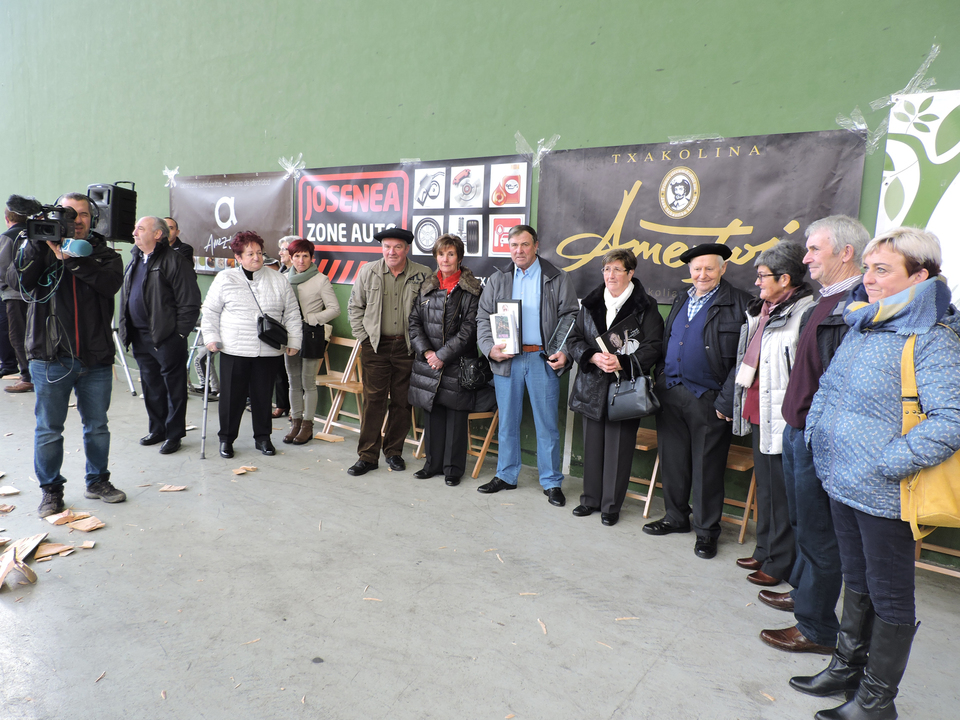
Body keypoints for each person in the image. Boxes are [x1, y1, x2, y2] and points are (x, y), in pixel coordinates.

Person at [801, 228, 960, 720]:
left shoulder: (932, 338)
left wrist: (886, 463)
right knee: (856, 578)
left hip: (886, 493)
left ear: (920, 276)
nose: (867, 279)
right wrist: (817, 433)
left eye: (882, 270)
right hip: (841, 480)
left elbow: (951, 419)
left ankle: (876, 701)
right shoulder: (866, 323)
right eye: (867, 268)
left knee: (890, 595)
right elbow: (829, 388)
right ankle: (847, 668)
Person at [758, 216, 869, 656]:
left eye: (814, 250)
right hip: (797, 428)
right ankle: (803, 594)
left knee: (820, 534)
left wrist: (812, 429)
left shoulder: (856, 306)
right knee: (803, 523)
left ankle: (817, 628)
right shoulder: (826, 301)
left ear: (846, 252)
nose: (805, 259)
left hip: (817, 436)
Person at [12, 193, 125, 516]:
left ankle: (98, 481)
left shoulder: (105, 254)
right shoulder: (37, 247)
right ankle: (51, 491)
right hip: (49, 356)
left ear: (93, 219)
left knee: (97, 426)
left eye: (83, 214)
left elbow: (108, 285)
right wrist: (39, 246)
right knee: (49, 429)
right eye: (68, 213)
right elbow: (18, 283)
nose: (76, 220)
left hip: (96, 357)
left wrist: (71, 259)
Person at [643, 243, 751, 558]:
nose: (702, 274)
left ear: (723, 269)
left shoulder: (741, 303)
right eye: (696, 268)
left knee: (707, 467)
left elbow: (745, 358)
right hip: (671, 392)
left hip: (709, 399)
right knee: (673, 461)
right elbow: (667, 340)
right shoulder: (682, 297)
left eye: (709, 268)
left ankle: (706, 532)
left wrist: (726, 401)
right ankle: (676, 518)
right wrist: (661, 378)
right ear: (689, 271)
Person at [726, 242, 815, 586]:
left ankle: (779, 562)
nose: (757, 282)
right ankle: (764, 549)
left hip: (781, 414)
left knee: (781, 494)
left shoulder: (803, 313)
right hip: (757, 406)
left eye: (763, 276)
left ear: (785, 279)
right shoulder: (764, 310)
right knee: (766, 488)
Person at [476, 224, 579, 506]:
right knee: (507, 421)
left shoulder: (556, 277)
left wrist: (564, 351)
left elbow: (571, 316)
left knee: (547, 424)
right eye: (513, 245)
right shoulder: (498, 279)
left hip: (541, 359)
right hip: (506, 359)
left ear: (536, 245)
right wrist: (489, 348)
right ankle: (506, 476)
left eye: (524, 244)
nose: (519, 250)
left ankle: (551, 481)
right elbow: (483, 317)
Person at [567, 249, 663, 525]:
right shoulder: (590, 303)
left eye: (617, 270)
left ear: (630, 273)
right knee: (592, 447)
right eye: (606, 270)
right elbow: (574, 340)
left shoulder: (646, 306)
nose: (610, 275)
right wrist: (592, 356)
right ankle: (590, 500)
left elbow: (654, 346)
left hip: (625, 389)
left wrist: (623, 362)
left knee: (618, 449)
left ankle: (610, 506)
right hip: (591, 387)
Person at [201, 231, 302, 458]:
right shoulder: (225, 279)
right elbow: (210, 311)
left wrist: (294, 340)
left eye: (259, 252)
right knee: (231, 398)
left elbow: (292, 313)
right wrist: (211, 337)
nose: (256, 257)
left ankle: (263, 438)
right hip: (234, 349)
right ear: (238, 257)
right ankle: (226, 439)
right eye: (250, 253)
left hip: (268, 350)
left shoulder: (278, 279)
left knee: (263, 397)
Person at [346, 227, 429, 475]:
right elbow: (355, 307)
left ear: (407, 249)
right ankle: (367, 456)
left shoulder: (423, 274)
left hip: (408, 348)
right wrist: (364, 338)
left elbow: (430, 312)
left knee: (402, 403)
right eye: (387, 247)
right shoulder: (368, 271)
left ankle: (393, 452)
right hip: (375, 347)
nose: (391, 252)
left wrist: (421, 344)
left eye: (397, 247)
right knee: (374, 402)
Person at [118, 216, 201, 454]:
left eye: (140, 229)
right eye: (135, 228)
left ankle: (174, 434)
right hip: (139, 336)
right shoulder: (135, 258)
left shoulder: (175, 260)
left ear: (157, 234)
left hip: (166, 337)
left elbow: (190, 301)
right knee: (151, 385)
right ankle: (158, 429)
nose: (134, 233)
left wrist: (180, 335)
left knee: (174, 388)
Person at [407, 233, 482, 486]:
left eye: (451, 254)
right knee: (433, 413)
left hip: (457, 363)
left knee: (456, 417)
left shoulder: (471, 289)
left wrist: (442, 356)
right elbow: (414, 323)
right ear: (436, 257)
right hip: (429, 362)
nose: (445, 259)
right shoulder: (427, 286)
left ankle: (453, 470)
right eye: (441, 254)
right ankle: (432, 465)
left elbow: (469, 330)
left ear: (459, 257)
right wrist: (427, 353)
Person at [282, 237, 340, 445]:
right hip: (290, 335)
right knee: (293, 381)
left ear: (312, 258)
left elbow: (334, 309)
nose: (301, 260)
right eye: (297, 256)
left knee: (308, 382)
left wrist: (312, 319)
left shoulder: (320, 279)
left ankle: (307, 425)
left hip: (311, 334)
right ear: (291, 258)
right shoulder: (283, 278)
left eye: (305, 256)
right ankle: (295, 423)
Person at [1, 198, 32, 391]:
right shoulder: (35, 233)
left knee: (17, 336)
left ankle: (27, 377)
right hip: (36, 294)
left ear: (7, 219)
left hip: (15, 294)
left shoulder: (8, 236)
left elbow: (2, 268)